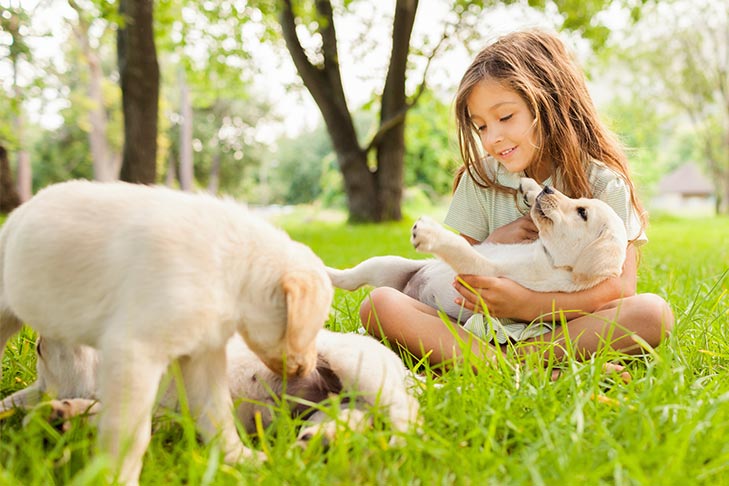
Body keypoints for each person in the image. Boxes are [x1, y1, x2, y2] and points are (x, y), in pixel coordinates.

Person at [360, 29, 674, 369]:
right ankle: (536, 368)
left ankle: (508, 364)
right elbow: (451, 276)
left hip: (561, 328)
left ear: (551, 102)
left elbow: (620, 288)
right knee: (378, 304)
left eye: (505, 117)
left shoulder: (603, 182)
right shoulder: (479, 179)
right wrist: (494, 243)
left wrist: (527, 304)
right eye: (480, 126)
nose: (493, 138)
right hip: (476, 329)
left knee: (652, 313)